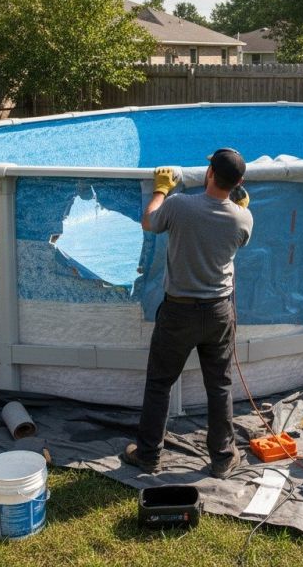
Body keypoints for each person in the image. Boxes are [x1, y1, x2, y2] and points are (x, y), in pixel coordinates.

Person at [122, 148, 253, 479]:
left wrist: (161, 190)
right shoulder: (243, 218)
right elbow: (238, 234)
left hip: (179, 313)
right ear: (238, 183)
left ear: (209, 174)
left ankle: (149, 456)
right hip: (220, 313)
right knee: (220, 385)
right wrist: (239, 206)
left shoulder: (179, 206)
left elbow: (150, 222)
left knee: (159, 384)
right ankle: (223, 459)